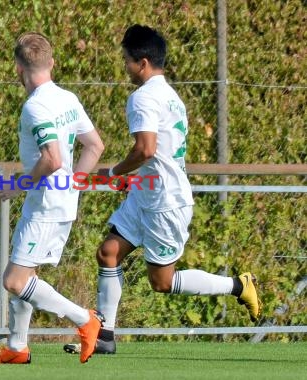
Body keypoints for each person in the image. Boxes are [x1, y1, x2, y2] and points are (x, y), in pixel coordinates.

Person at [64, 24, 262, 356]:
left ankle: (238, 286)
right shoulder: (170, 95)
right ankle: (105, 336)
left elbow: (146, 149)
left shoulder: (143, 97)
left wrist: (112, 172)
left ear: (141, 62)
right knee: (108, 252)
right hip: (148, 194)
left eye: (126, 60)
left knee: (163, 283)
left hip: (164, 202)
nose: (124, 66)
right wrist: (134, 179)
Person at [0, 32, 106, 365]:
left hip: (46, 205)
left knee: (14, 280)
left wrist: (17, 185)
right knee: (26, 273)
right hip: (55, 201)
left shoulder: (35, 106)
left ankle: (85, 319)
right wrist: (74, 184)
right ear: (51, 63)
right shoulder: (67, 98)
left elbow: (51, 158)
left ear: (17, 69)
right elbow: (95, 146)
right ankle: (17, 347)